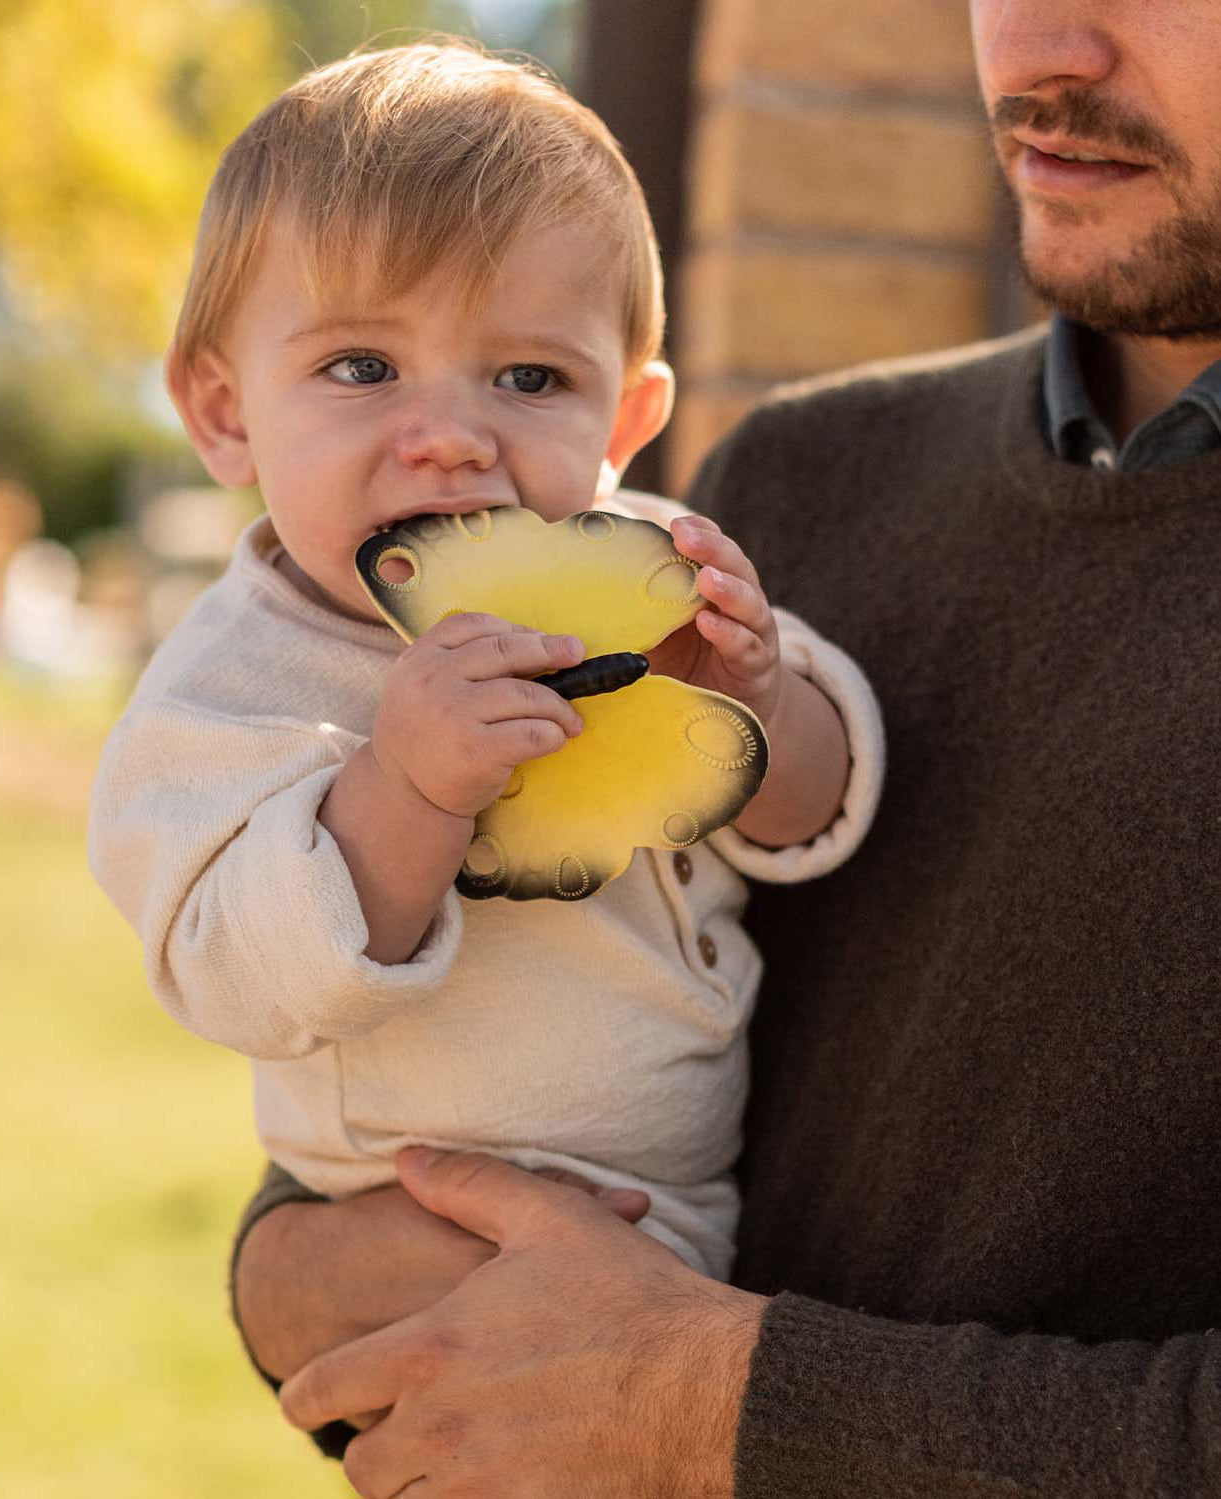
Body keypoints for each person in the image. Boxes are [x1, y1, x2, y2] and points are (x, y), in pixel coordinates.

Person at [233, 2, 1221, 1495]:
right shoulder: (793, 486)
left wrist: (702, 1403)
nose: (1031, 52)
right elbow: (485, 1024)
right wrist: (290, 1268)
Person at [87, 32, 884, 1433]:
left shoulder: (640, 569)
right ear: (225, 411)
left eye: (527, 380)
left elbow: (821, 807)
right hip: (418, 1237)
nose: (450, 436)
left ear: (627, 417)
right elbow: (228, 969)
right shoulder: (238, 674)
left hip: (698, 1220)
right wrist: (404, 789)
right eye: (359, 367)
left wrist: (760, 697)